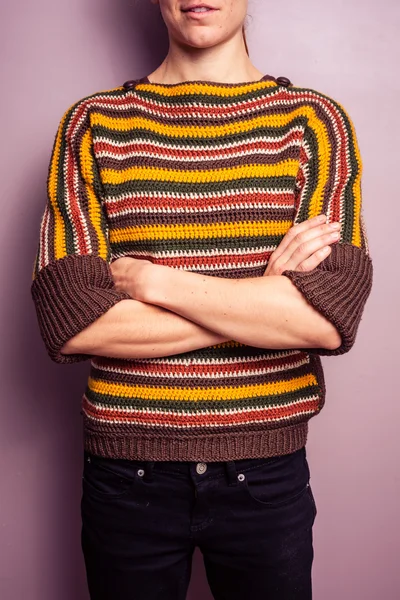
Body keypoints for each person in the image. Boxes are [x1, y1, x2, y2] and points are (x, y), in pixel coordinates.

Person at [30, 1, 373, 598]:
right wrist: (264, 302)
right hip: (125, 477)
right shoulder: (94, 124)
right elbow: (70, 323)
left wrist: (153, 282)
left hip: (266, 478)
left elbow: (329, 317)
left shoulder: (313, 122)